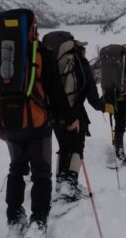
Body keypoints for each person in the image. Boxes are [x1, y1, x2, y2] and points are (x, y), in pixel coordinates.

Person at [0, 9, 71, 238]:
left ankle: (14, 220)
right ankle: (38, 223)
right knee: (42, 172)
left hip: (10, 124)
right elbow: (55, 91)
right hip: (37, 123)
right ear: (32, 28)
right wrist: (67, 119)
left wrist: (0, 123)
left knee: (16, 169)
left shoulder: (2, 53)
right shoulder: (41, 53)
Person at [43, 32, 106, 202]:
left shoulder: (48, 60)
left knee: (64, 146)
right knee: (77, 148)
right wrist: (102, 106)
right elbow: (91, 92)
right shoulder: (78, 61)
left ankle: (61, 183)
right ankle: (70, 185)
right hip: (75, 112)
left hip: (53, 113)